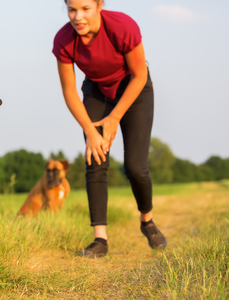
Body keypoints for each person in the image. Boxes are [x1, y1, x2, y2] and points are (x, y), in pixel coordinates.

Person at [52, 0, 167, 257]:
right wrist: (91, 132)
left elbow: (139, 75)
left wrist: (114, 118)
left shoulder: (122, 26)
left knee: (135, 167)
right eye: (72, 10)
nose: (77, 17)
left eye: (85, 9)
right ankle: (100, 240)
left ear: (99, 5)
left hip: (134, 90)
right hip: (96, 93)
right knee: (95, 158)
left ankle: (147, 220)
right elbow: (69, 91)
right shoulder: (64, 39)